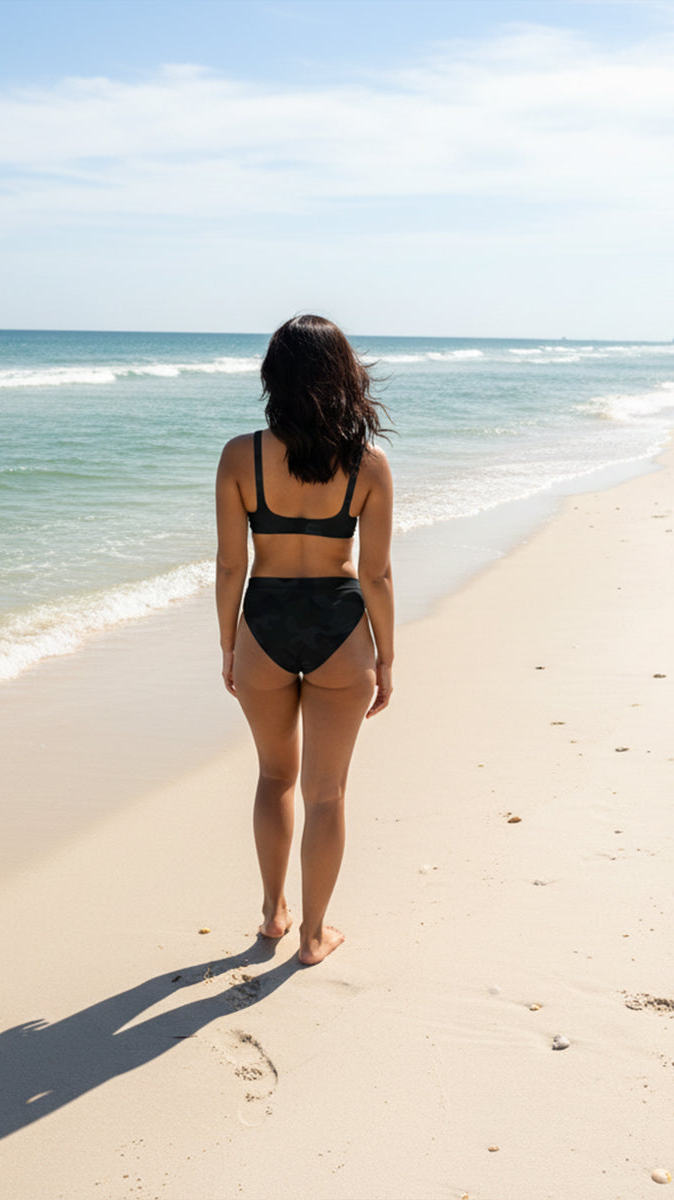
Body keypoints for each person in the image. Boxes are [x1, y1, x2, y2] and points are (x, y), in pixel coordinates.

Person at [215, 314, 394, 965]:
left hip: (263, 622)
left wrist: (229, 642)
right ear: (344, 376)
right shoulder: (367, 465)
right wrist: (388, 654)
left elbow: (231, 564)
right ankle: (314, 936)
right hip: (340, 631)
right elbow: (374, 572)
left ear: (274, 378)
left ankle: (272, 914)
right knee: (327, 792)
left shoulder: (241, 456)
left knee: (272, 776)